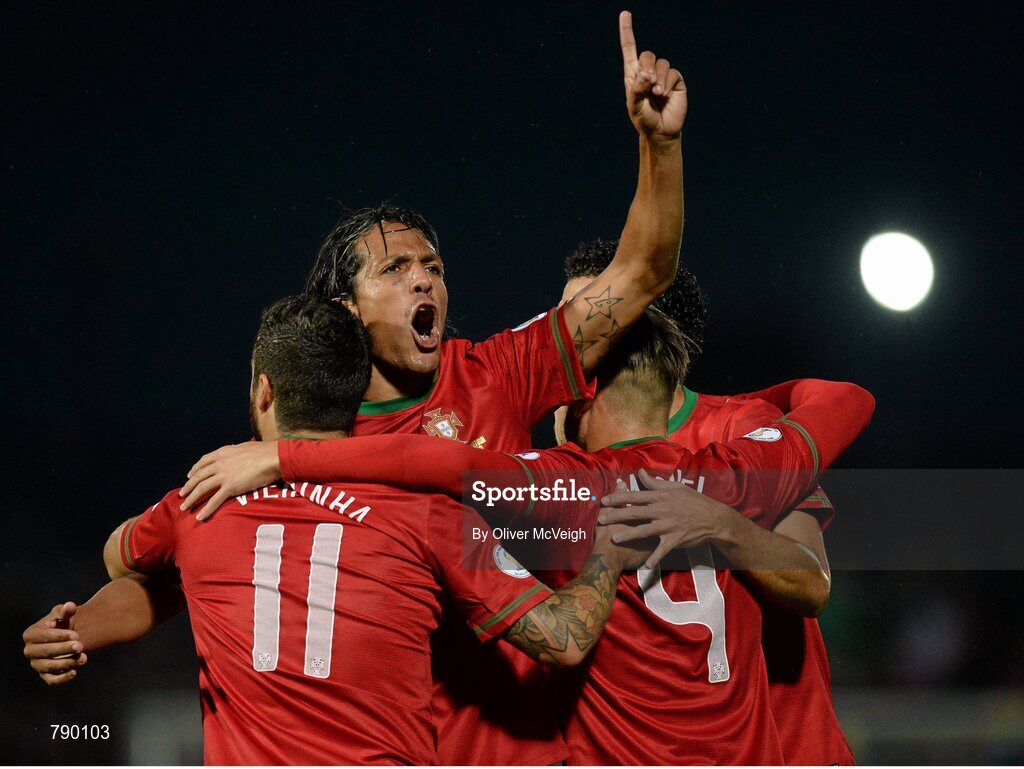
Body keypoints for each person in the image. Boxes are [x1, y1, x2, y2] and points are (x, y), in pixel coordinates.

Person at [26, 13, 687, 766]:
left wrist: (658, 145)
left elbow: (640, 276)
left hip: (528, 745)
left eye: (432, 265)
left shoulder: (496, 371)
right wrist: (81, 628)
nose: (424, 277)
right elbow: (179, 572)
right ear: (347, 308)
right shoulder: (305, 435)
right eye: (396, 270)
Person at [174, 308, 875, 763]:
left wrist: (284, 456)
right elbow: (851, 398)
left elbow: (437, 463)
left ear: (586, 397)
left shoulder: (563, 489)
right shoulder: (741, 470)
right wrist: (748, 427)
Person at [25, 294, 642, 765]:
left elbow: (127, 561)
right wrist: (607, 547)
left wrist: (77, 630)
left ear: (264, 392)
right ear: (354, 401)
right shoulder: (428, 513)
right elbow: (564, 639)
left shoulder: (199, 505)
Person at [562, 238, 856, 764]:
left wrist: (721, 525)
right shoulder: (570, 455)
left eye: (586, 316)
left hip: (785, 750)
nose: (565, 336)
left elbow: (810, 582)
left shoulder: (743, 429)